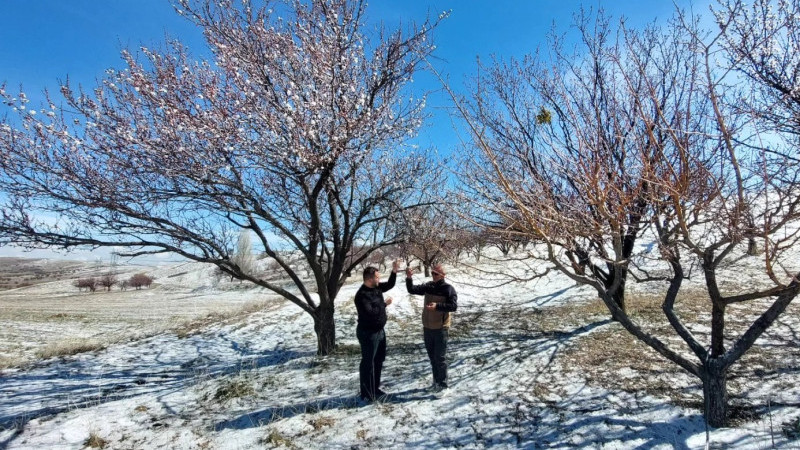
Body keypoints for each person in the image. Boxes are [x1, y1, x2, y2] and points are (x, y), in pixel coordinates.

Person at [405, 263, 457, 393]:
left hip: (441, 328)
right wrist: (409, 278)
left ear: (443, 275)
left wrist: (437, 306)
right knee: (432, 358)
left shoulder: (448, 289)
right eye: (432, 273)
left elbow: (453, 306)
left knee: (440, 358)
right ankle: (436, 382)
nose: (433, 275)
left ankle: (443, 386)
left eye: (436, 274)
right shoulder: (429, 286)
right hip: (427, 328)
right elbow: (412, 290)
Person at [354, 260, 400, 401]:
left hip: (380, 331)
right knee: (368, 363)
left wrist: (394, 271)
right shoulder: (362, 296)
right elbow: (371, 313)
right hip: (368, 333)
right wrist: (384, 303)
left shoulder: (377, 288)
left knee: (378, 360)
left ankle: (375, 388)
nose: (379, 280)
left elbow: (390, 284)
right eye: (377, 278)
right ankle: (366, 393)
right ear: (369, 279)